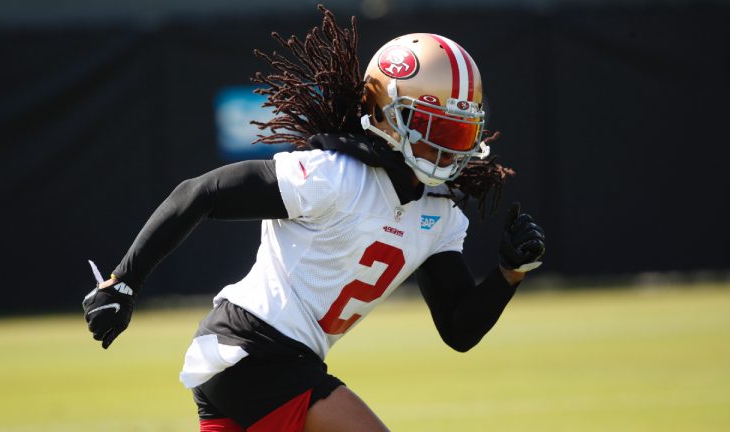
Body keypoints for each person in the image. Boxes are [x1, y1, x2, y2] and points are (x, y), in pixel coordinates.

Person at [82, 7, 545, 432]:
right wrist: (124, 280)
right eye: (435, 128)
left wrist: (508, 275)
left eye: (460, 131)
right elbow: (201, 192)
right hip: (256, 347)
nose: (448, 149)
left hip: (263, 361)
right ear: (387, 116)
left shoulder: (438, 214)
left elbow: (459, 330)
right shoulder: (334, 176)